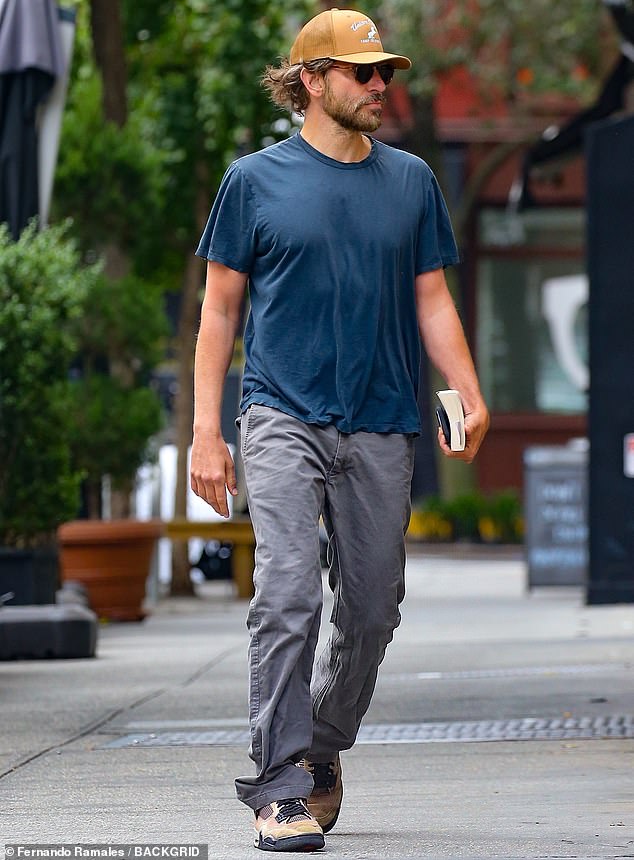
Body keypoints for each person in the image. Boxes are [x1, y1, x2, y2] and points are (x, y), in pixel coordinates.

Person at [191, 7, 489, 852]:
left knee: (372, 605)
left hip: (382, 418)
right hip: (280, 412)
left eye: (385, 73)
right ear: (311, 81)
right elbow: (219, 311)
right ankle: (278, 786)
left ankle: (320, 748)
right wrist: (206, 434)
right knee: (285, 590)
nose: (380, 86)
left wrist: (466, 389)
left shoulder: (412, 182)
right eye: (363, 73)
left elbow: (432, 298)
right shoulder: (253, 181)